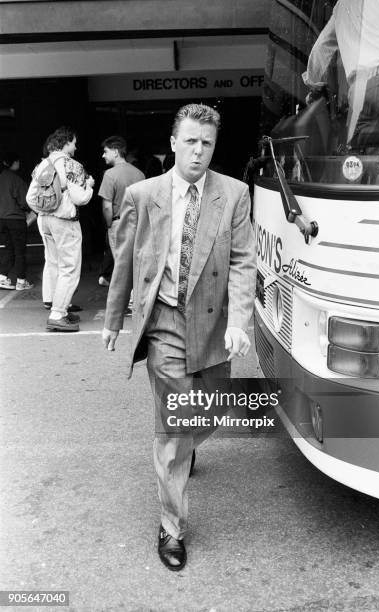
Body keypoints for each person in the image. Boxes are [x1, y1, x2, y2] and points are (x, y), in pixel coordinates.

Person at [102, 103, 256, 571]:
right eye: (190, 141)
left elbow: (244, 261)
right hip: (165, 321)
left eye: (206, 143)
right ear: (173, 143)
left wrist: (238, 322)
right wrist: (112, 319)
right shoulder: (144, 194)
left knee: (209, 411)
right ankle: (171, 527)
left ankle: (187, 448)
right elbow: (125, 260)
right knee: (174, 423)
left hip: (212, 326)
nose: (198, 151)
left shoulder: (233, 194)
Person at [302, 0, 379, 141]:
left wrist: (313, 84)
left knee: (371, 156)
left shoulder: (341, 6)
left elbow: (321, 47)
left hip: (359, 93)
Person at [35, 127, 94, 332]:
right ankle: (58, 314)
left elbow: (29, 198)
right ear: (66, 142)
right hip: (64, 221)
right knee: (69, 268)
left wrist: (46, 210)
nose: (76, 146)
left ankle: (57, 304)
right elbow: (80, 198)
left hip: (44, 220)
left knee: (54, 264)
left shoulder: (42, 164)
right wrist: (90, 186)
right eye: (74, 142)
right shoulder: (73, 165)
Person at [98, 135, 145, 261]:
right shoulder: (140, 174)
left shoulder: (109, 174)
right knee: (135, 263)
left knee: (120, 265)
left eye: (105, 151)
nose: (103, 155)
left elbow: (107, 207)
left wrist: (109, 225)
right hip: (137, 224)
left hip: (118, 224)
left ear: (115, 152)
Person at [0, 157, 33, 291]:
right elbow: (25, 202)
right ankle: (21, 281)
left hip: (2, 220)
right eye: (18, 162)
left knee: (9, 249)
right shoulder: (16, 180)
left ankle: (2, 278)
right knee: (20, 251)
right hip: (16, 219)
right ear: (13, 163)